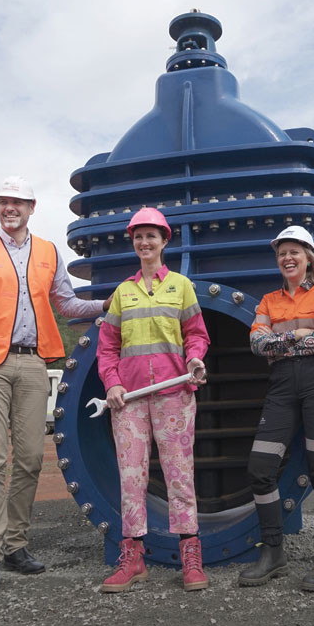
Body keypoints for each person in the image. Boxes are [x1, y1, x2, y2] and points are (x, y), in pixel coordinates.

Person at [0, 175, 110, 595]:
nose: (10, 208)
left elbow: (66, 303)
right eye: (3, 201)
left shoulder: (48, 252)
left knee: (31, 457)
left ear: (32, 208)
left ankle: (16, 544)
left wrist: (108, 302)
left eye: (18, 202)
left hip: (33, 364)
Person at [96, 207, 210, 593]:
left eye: (151, 236)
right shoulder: (122, 293)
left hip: (174, 395)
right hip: (128, 402)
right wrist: (112, 385)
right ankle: (133, 558)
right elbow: (107, 347)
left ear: (165, 241)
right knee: (132, 477)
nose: (145, 243)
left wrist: (194, 358)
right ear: (133, 242)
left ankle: (190, 556)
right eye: (138, 237)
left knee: (180, 474)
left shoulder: (181, 286)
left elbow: (197, 333)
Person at [238, 226, 314, 591]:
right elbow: (256, 344)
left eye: (294, 252)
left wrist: (280, 341)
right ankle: (274, 550)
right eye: (282, 253)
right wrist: (297, 336)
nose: (287, 258)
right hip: (283, 386)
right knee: (260, 467)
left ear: (308, 258)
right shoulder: (268, 300)